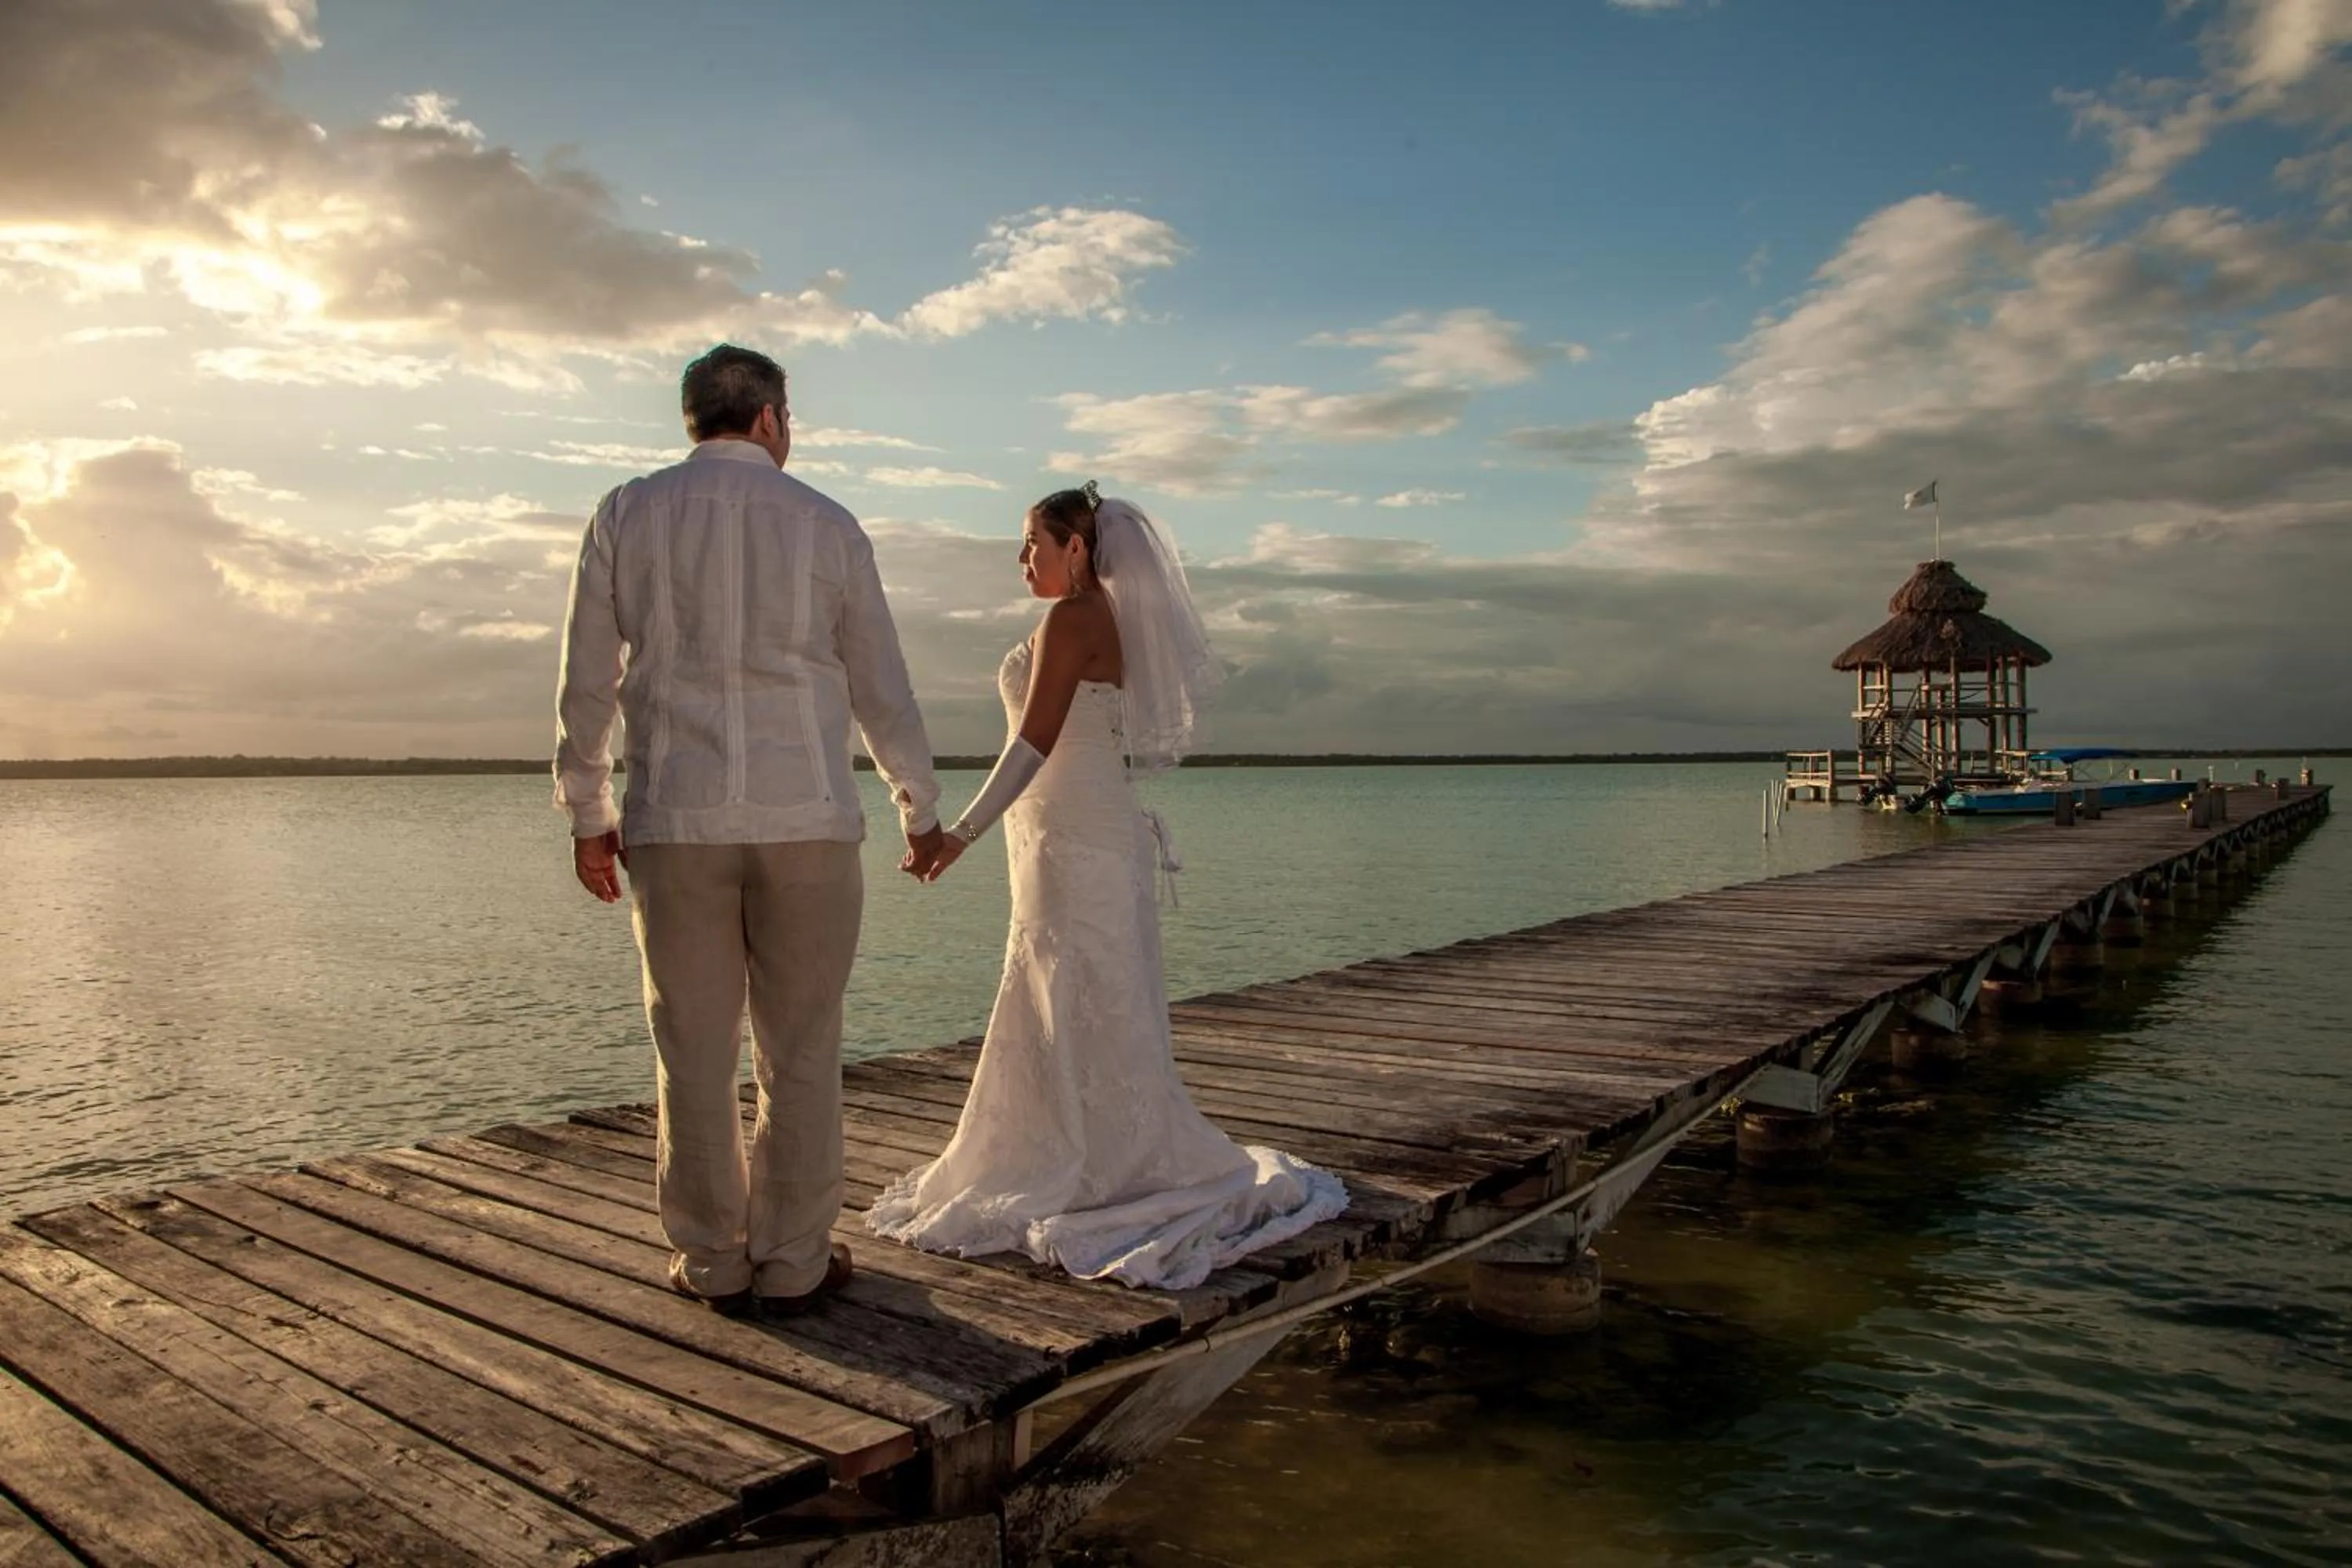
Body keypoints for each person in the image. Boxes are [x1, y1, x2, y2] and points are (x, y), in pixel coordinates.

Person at [866, 483, 1348, 1290]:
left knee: (1075, 983)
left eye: (1032, 543)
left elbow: (1032, 743)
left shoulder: (1073, 618)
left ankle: (1091, 1160)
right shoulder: (1110, 620)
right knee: (1084, 988)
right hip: (1082, 832)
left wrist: (957, 836)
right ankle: (1092, 1144)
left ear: (1078, 549)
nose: (1022, 558)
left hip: (1072, 837)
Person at [555, 343, 942, 1318]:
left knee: (689, 1044)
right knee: (801, 1046)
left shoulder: (625, 512)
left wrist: (589, 812)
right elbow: (880, 685)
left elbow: (588, 679)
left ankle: (712, 1259)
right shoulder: (827, 524)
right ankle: (795, 1258)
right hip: (806, 818)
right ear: (771, 418)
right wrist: (919, 804)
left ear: (693, 417)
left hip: (675, 821)